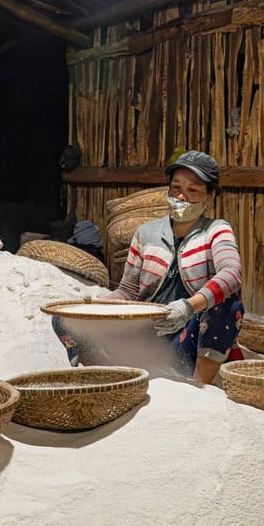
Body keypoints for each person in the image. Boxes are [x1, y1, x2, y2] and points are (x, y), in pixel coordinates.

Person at [54, 150, 244, 384]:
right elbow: (129, 292)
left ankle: (197, 387)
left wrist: (188, 307)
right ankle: (102, 374)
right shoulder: (146, 233)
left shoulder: (216, 230)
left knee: (227, 306)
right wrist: (99, 304)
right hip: (146, 339)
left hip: (188, 338)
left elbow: (232, 274)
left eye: (193, 190)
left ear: (210, 196)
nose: (182, 197)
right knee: (65, 318)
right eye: (176, 188)